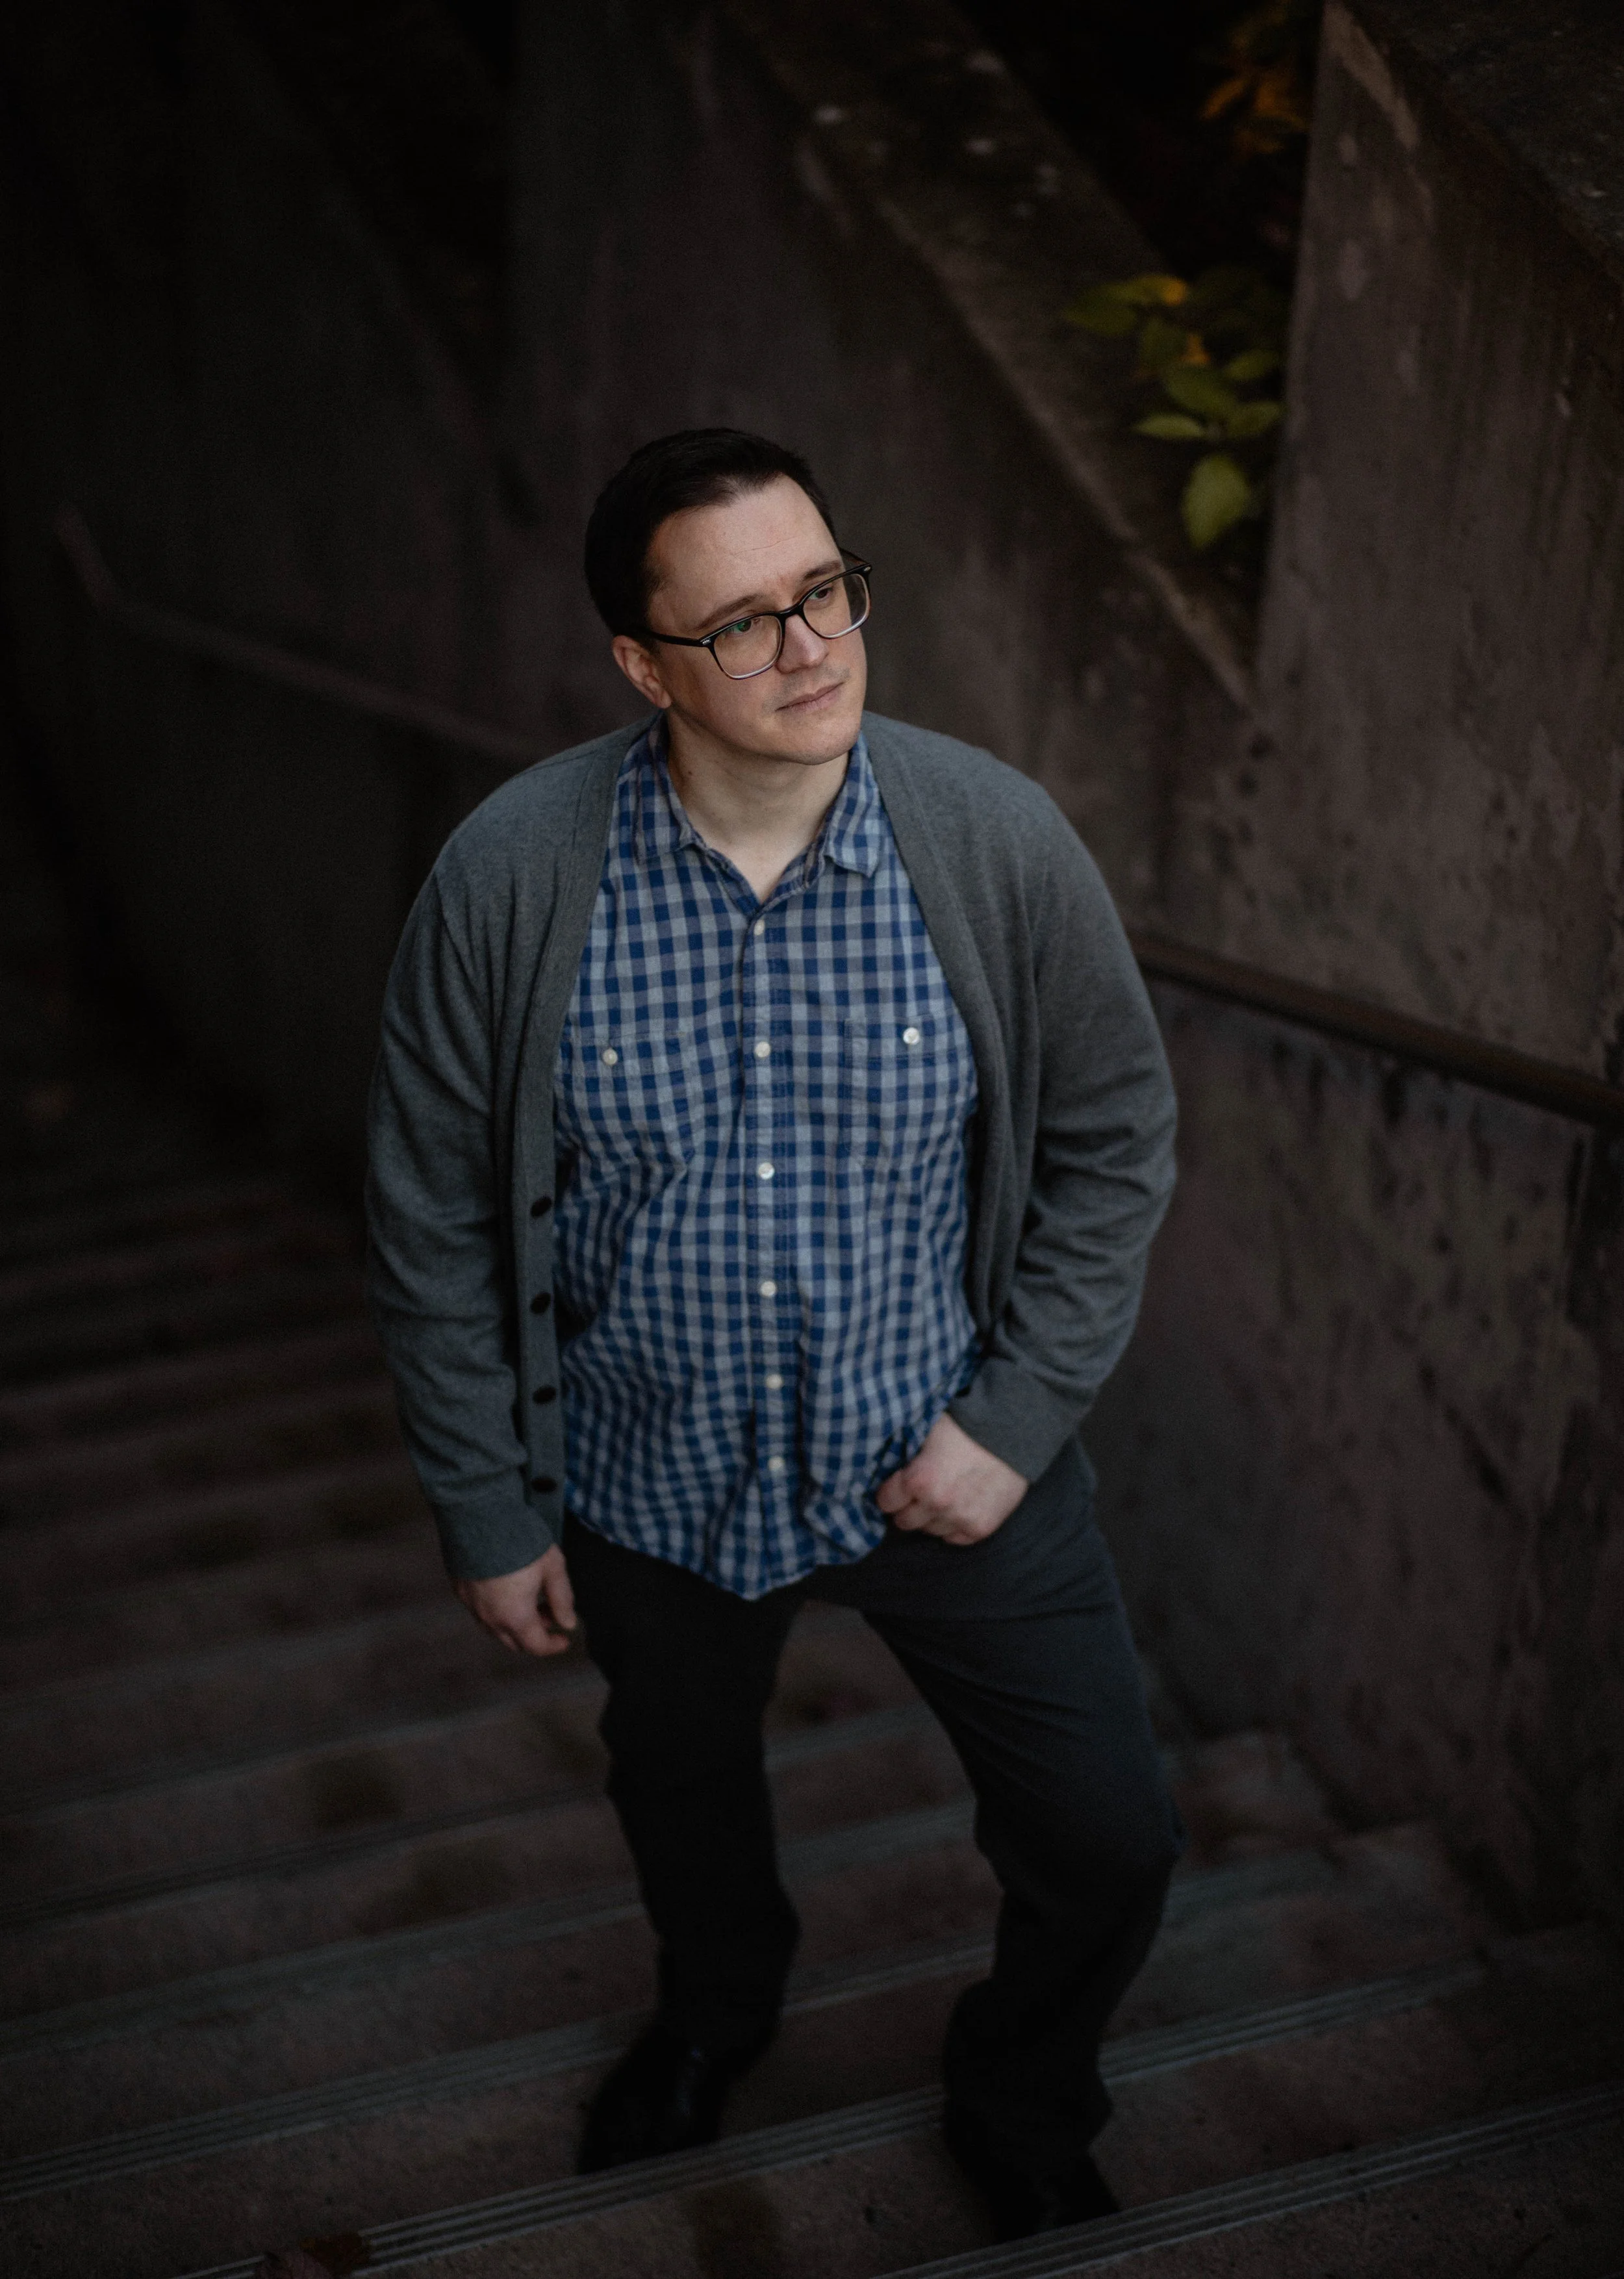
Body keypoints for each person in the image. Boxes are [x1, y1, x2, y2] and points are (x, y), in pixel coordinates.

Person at [366, 427, 1182, 2241]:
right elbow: (425, 1201)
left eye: (821, 589)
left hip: (946, 1449)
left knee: (1110, 1835)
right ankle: (712, 2017)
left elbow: (1117, 1138)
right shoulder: (511, 881)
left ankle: (1024, 2090)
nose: (808, 645)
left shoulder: (990, 842)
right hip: (646, 1472)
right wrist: (488, 1502)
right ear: (643, 667)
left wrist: (1020, 1410)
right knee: (682, 1799)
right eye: (741, 621)